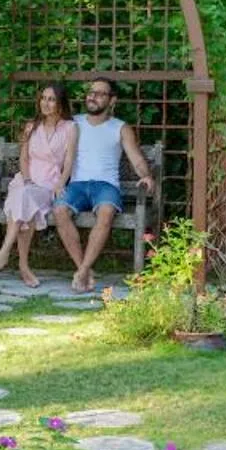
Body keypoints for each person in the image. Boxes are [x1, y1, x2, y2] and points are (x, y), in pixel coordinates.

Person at [55, 77, 157, 293]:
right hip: (77, 184)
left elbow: (136, 159)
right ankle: (84, 270)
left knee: (106, 212)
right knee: (59, 210)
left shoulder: (120, 128)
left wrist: (146, 175)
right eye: (91, 92)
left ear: (112, 100)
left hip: (105, 185)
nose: (92, 96)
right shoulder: (73, 123)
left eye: (100, 93)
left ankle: (82, 271)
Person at [0, 83, 81, 286]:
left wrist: (61, 183)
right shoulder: (31, 127)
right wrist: (27, 180)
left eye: (51, 99)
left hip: (48, 185)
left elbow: (70, 161)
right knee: (24, 198)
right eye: (43, 98)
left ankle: (6, 254)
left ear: (60, 103)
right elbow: (24, 159)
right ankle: (22, 266)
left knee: (25, 201)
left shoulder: (70, 128)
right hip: (26, 180)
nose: (46, 103)